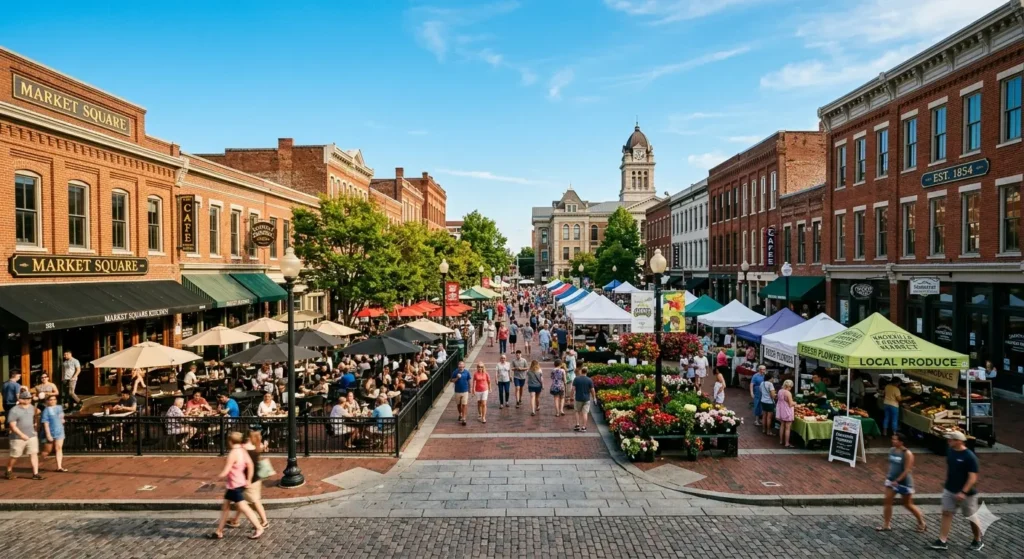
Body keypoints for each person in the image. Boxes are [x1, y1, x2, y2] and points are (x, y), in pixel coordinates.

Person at [931, 431, 982, 551]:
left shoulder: (969, 456)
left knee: (971, 517)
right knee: (946, 513)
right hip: (950, 489)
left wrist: (963, 492)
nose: (948, 441)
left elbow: (973, 477)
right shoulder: (950, 452)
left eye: (951, 439)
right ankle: (942, 540)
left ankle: (977, 539)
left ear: (959, 441)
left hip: (967, 494)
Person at [210, 431, 263, 540]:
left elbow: (226, 470)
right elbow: (250, 465)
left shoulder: (233, 453)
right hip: (239, 483)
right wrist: (248, 479)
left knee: (243, 507)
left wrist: (215, 478)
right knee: (225, 506)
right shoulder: (243, 450)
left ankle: (258, 527)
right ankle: (219, 531)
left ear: (230, 441)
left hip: (234, 485)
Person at [878, 433, 926, 534]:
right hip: (891, 480)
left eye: (895, 440)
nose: (893, 441)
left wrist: (898, 480)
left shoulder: (907, 454)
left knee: (907, 504)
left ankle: (921, 522)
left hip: (904, 483)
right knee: (887, 501)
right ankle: (886, 524)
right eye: (893, 439)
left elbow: (907, 470)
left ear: (901, 442)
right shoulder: (891, 450)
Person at [228, 430, 270, 531]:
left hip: (248, 480)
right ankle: (235, 520)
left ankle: (264, 521)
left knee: (254, 501)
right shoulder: (256, 446)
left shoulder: (244, 449)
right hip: (256, 478)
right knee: (242, 501)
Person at [6, 389, 42, 480]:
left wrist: (35, 422)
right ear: (20, 399)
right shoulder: (14, 410)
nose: (27, 400)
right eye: (25, 399)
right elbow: (12, 425)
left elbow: (38, 411)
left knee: (33, 453)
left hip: (31, 435)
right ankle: (9, 470)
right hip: (17, 438)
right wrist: (21, 435)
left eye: (29, 398)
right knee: (15, 455)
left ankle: (35, 473)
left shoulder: (31, 407)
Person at [38, 393, 67, 472]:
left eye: (54, 399)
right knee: (47, 450)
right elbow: (45, 423)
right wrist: (48, 434)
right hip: (50, 431)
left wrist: (62, 420)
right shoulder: (46, 410)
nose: (53, 401)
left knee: (59, 448)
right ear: (47, 401)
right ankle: (37, 463)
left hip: (59, 430)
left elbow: (61, 417)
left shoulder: (59, 407)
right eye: (51, 400)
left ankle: (59, 466)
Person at [572, 366, 596, 432]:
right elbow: (592, 390)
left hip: (578, 398)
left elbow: (573, 389)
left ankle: (577, 424)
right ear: (587, 372)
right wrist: (594, 398)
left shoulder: (576, 379)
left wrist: (571, 397)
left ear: (581, 371)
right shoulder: (589, 380)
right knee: (585, 413)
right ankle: (584, 427)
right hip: (586, 399)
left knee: (577, 411)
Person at [775, 380, 796, 448]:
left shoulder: (780, 391)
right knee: (787, 428)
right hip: (787, 411)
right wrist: (795, 403)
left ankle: (781, 441)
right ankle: (787, 443)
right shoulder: (788, 393)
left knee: (782, 425)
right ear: (789, 386)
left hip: (781, 410)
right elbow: (790, 404)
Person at [450, 361, 471, 426]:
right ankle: (460, 414)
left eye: (462, 365)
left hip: (465, 390)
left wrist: (470, 388)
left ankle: (464, 417)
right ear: (458, 366)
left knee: (464, 404)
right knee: (459, 404)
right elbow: (451, 380)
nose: (461, 366)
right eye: (460, 365)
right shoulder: (455, 372)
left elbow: (469, 380)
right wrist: (456, 378)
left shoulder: (467, 372)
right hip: (457, 391)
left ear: (464, 366)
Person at [563, 349, 577, 413]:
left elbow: (573, 368)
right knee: (569, 389)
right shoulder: (569, 358)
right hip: (569, 375)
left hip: (570, 375)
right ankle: (569, 403)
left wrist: (567, 370)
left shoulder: (571, 358)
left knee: (570, 389)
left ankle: (570, 403)